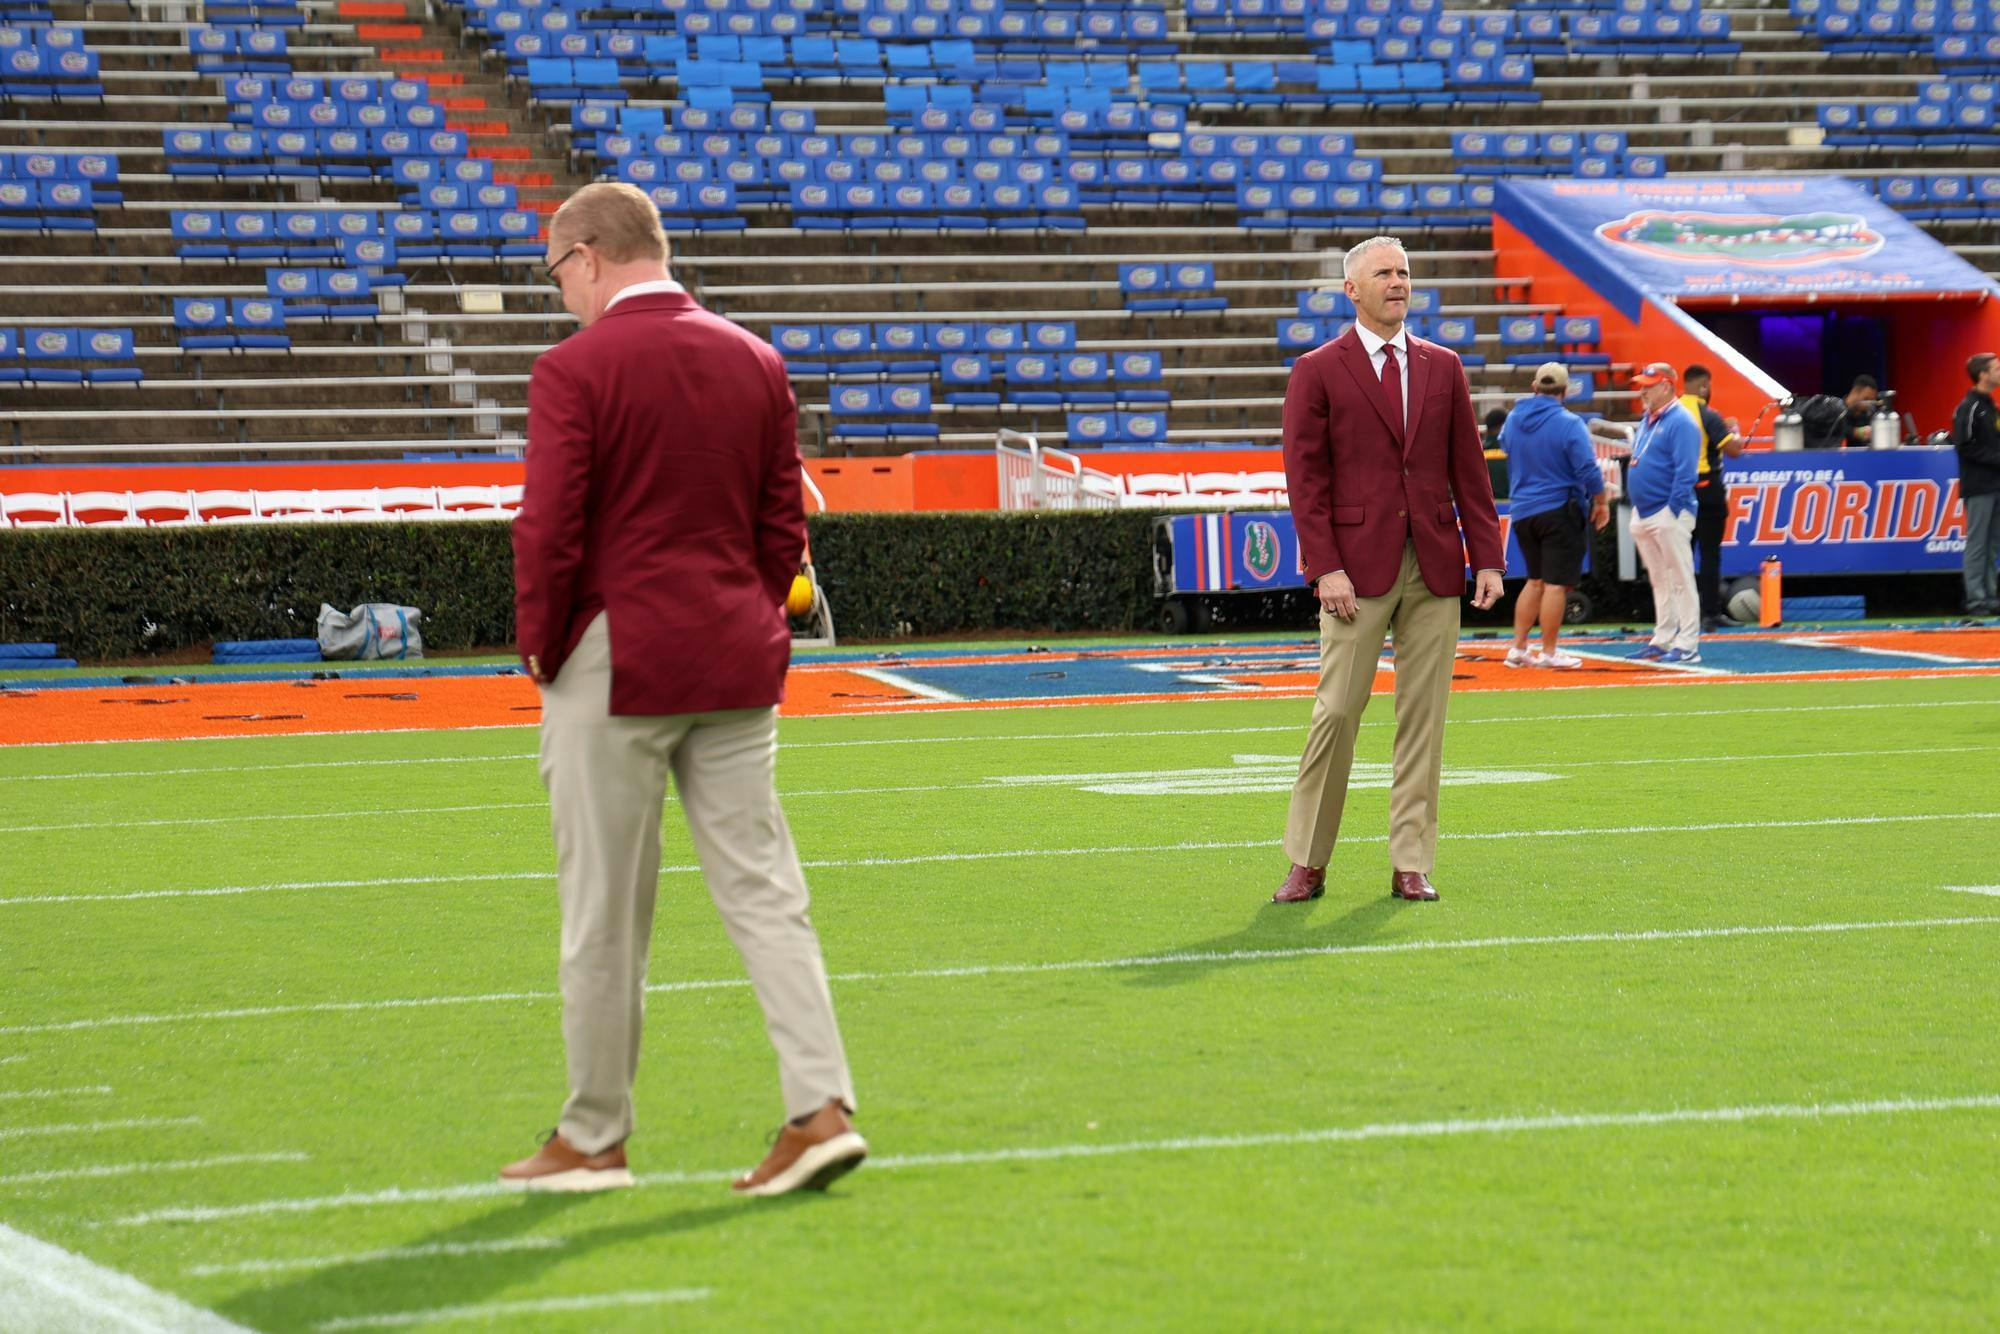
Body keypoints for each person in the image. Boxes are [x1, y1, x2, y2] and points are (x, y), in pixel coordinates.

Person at [504, 182, 864, 1198]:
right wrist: (748, 619)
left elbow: (550, 527)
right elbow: (779, 528)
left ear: (587, 254)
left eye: (555, 270)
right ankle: (820, 1104)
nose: (557, 290)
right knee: (765, 891)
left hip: (617, 652)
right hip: (733, 651)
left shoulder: (575, 367)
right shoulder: (754, 358)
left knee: (604, 909)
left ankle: (593, 1133)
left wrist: (542, 645)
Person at [1274, 235, 1504, 906]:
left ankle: (1412, 861)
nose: (1398, 283)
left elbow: (1470, 470)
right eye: (1384, 274)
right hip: (1353, 572)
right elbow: (1306, 480)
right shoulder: (1318, 369)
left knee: (1424, 719)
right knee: (1338, 712)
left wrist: (1486, 556)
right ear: (1352, 290)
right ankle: (1308, 861)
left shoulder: (1444, 366)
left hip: (1435, 565)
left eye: (1404, 273)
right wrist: (1326, 567)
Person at [1500, 363, 1609, 670]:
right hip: (1559, 507)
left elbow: (1506, 445)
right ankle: (1549, 651)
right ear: (1564, 391)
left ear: (1535, 387)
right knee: (1555, 584)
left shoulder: (1514, 418)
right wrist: (1601, 500)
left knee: (1535, 581)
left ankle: (1519, 648)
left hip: (1522, 509)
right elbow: (1587, 468)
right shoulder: (1569, 422)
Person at [1625, 363, 1703, 664]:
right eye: (1642, 384)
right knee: (1660, 578)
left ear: (1668, 386)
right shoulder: (1650, 418)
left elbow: (1687, 473)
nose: (1643, 390)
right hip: (1645, 511)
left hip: (1666, 512)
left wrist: (1672, 509)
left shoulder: (1681, 421)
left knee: (1680, 577)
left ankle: (1687, 644)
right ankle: (1663, 637)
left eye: (1649, 384)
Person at [1679, 364, 1744, 627]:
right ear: (1705, 385)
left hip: (1678, 490)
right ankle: (1709, 613)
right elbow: (1734, 450)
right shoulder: (1709, 414)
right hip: (1707, 489)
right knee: (1709, 554)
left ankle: (1681, 614)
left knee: (1681, 555)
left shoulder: (1672, 411)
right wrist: (1734, 430)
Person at [1954, 352, 2000, 617]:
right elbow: (1965, 446)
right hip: (1980, 485)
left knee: (1992, 543)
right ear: (1982, 374)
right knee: (1978, 543)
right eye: (1995, 368)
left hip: (1994, 484)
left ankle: (1989, 595)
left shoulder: (1989, 406)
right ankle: (1975, 599)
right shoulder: (1969, 407)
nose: (1998, 371)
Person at [1804, 375, 1879, 449]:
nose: (1869, 404)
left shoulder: (1867, 417)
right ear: (1855, 392)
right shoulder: (1832, 410)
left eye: (1872, 400)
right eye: (1866, 399)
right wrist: (1854, 432)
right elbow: (1824, 430)